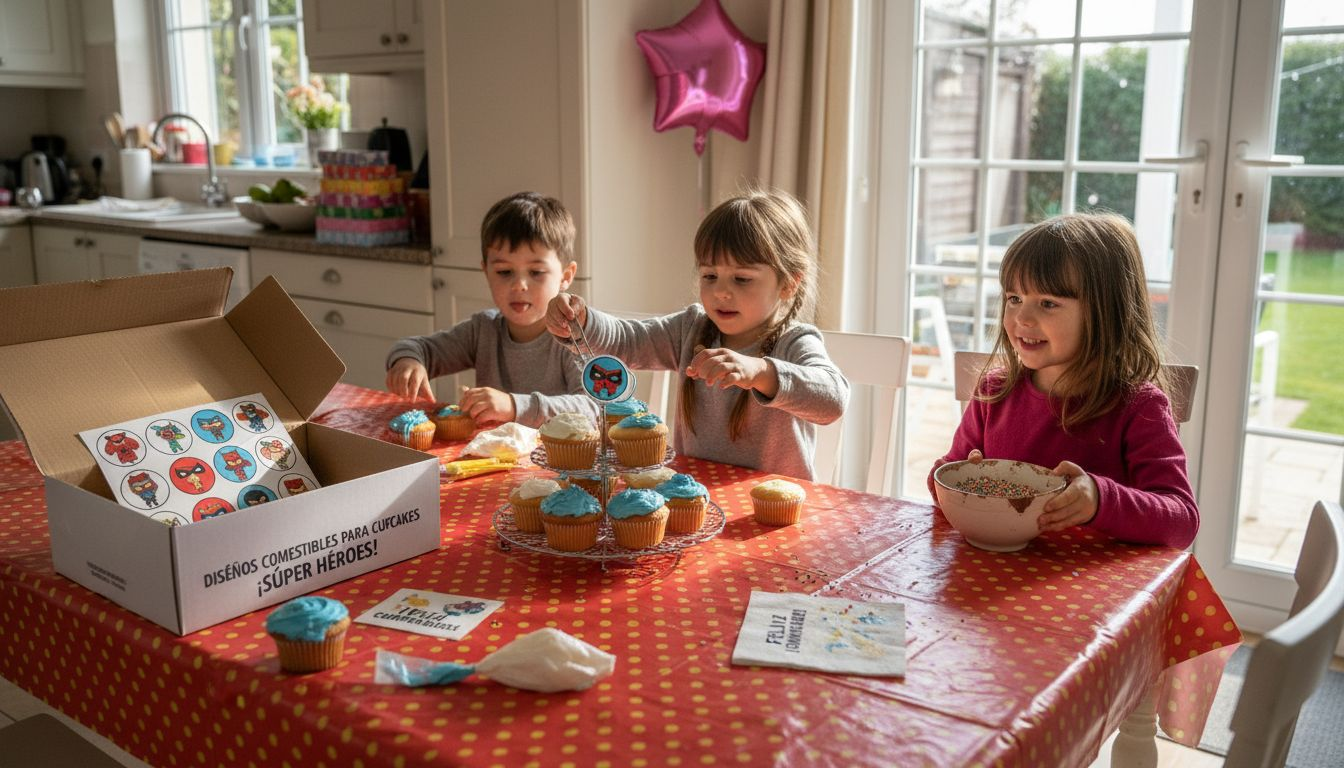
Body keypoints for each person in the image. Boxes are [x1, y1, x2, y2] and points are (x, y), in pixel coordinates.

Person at [929, 213, 1198, 548]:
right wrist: (954, 479)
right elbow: (945, 475)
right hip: (998, 576)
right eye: (1014, 299)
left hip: (1093, 589)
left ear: (1104, 312)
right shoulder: (994, 393)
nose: (1022, 318)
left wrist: (1099, 500)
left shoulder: (1139, 407)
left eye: (1047, 303)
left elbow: (1182, 520)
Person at [545, 189, 849, 480]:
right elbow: (628, 341)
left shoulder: (794, 341)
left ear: (789, 284)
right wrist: (582, 321)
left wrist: (760, 371)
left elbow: (833, 400)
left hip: (773, 523)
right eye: (710, 276)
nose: (721, 292)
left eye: (742, 279)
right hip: (695, 500)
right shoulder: (690, 328)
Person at [385, 191, 596, 426]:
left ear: (566, 276)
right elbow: (416, 347)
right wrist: (408, 361)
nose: (519, 285)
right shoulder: (483, 330)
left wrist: (514, 406)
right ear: (486, 272)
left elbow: (592, 408)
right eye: (504, 272)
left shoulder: (577, 339)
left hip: (555, 462)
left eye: (536, 272)